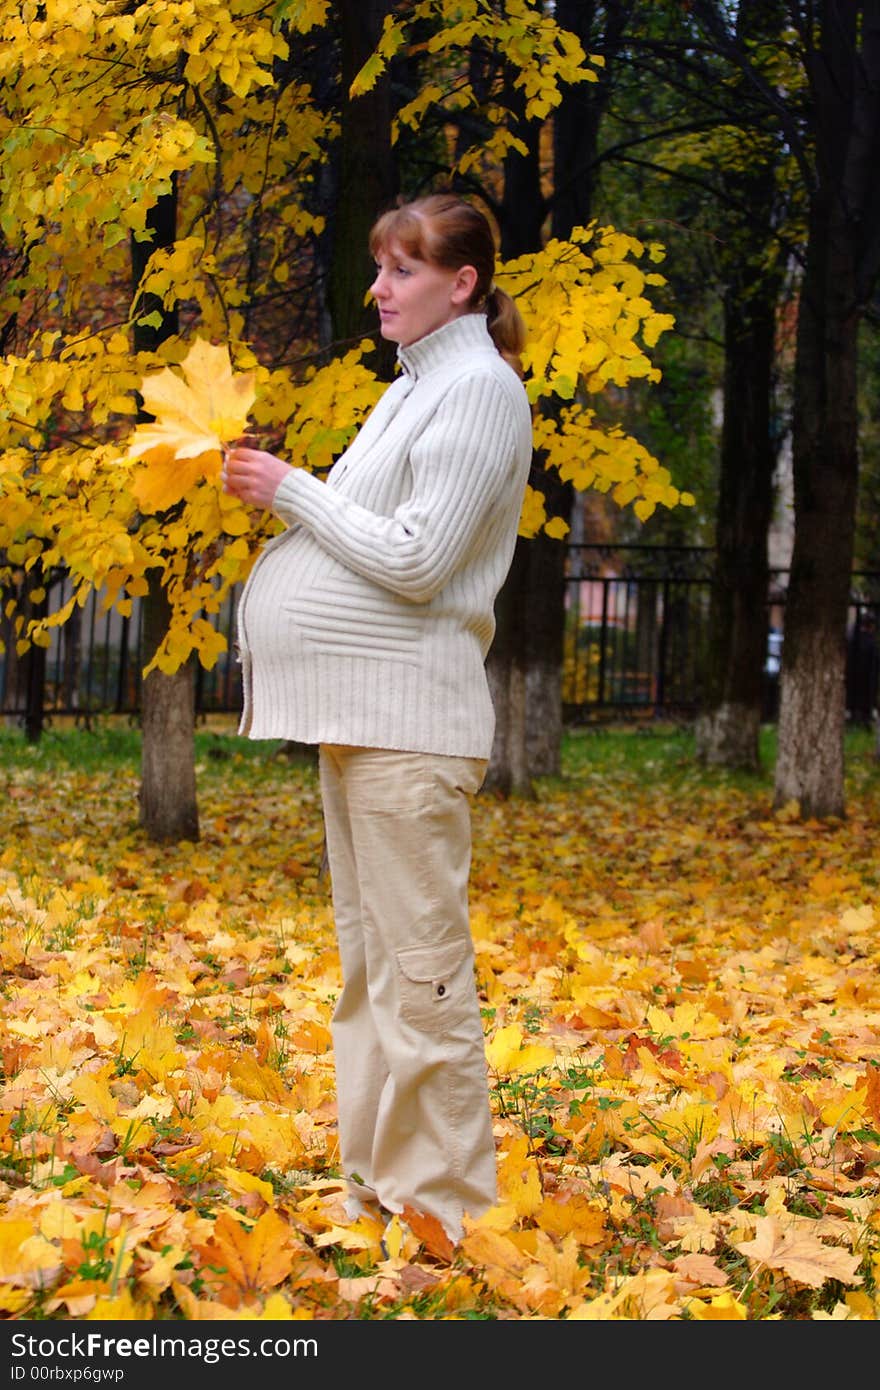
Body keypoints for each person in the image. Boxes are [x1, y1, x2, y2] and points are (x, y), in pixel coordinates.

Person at [222, 191, 533, 1245]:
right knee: (373, 976)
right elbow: (370, 537)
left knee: (424, 980)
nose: (376, 290)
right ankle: (377, 1192)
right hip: (361, 721)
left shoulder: (481, 393)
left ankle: (445, 1217)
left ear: (462, 284)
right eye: (378, 268)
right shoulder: (409, 393)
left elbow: (414, 558)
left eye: (400, 271)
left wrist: (289, 490)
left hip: (411, 730)